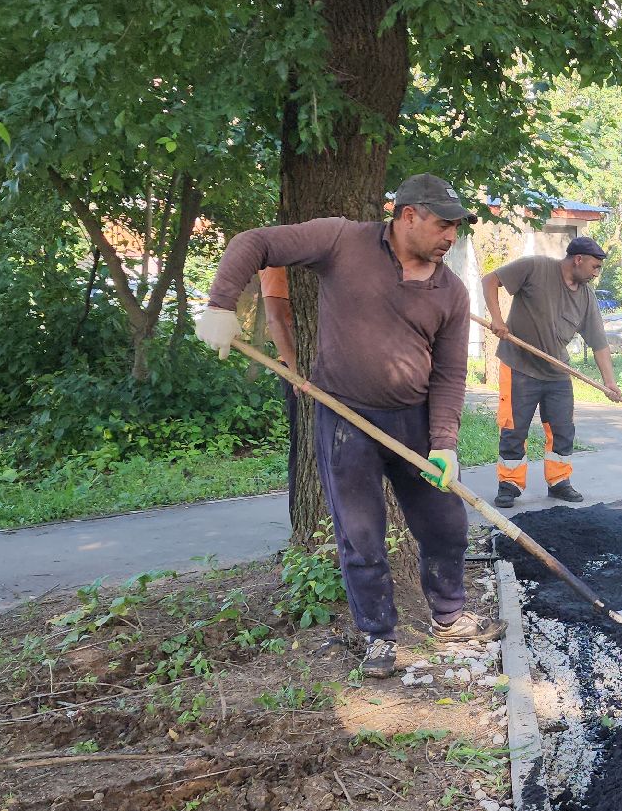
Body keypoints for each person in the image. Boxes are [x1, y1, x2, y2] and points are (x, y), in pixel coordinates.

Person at [196, 173, 504, 677]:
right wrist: (220, 304)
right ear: (409, 215)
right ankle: (379, 636)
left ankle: (449, 616)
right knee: (361, 536)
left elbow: (450, 375)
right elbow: (256, 242)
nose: (452, 236)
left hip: (417, 422)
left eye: (457, 226)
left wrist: (445, 444)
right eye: (444, 224)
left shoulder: (450, 292)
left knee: (447, 525)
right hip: (345, 418)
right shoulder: (341, 240)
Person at [481, 237, 622, 508]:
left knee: (562, 429)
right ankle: (509, 484)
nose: (596, 273)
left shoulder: (586, 296)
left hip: (557, 372)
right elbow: (490, 280)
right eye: (594, 267)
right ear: (578, 259)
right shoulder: (535, 267)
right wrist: (497, 320)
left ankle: (559, 482)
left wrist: (610, 382)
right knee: (514, 428)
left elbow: (599, 343)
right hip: (518, 366)